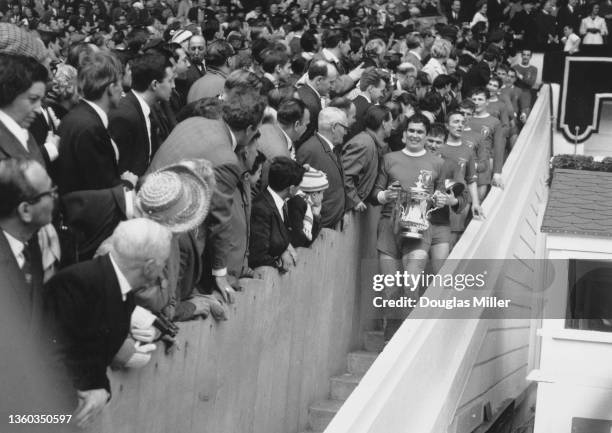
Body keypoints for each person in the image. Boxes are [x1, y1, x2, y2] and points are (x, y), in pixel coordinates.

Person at [44, 219, 172, 429]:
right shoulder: (76, 284)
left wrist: (101, 390)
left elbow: (94, 356)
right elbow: (47, 353)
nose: (164, 269)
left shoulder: (123, 294)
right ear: (149, 267)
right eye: (163, 263)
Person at [371, 113, 449, 339]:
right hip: (389, 225)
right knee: (391, 289)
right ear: (404, 134)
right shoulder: (389, 158)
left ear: (426, 137)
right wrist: (385, 195)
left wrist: (440, 198)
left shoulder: (437, 163)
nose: (415, 135)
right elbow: (375, 192)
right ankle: (389, 337)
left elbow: (441, 193)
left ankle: (406, 342)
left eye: (420, 132)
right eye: (411, 131)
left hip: (419, 227)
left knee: (410, 285)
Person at [56, 51, 137, 194]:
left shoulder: (79, 117)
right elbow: (101, 187)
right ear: (111, 89)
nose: (122, 91)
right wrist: (128, 183)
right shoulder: (90, 127)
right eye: (119, 84)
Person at [109, 52, 176, 177]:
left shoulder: (145, 108)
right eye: (170, 80)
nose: (173, 86)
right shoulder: (125, 116)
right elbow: (119, 170)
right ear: (155, 84)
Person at [249, 156, 305, 271]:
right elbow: (258, 256)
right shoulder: (261, 209)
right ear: (291, 189)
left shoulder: (282, 203)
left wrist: (285, 248)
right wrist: (279, 261)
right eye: (299, 185)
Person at [296, 107, 348, 229]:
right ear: (334, 127)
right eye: (344, 128)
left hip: (328, 225)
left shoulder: (330, 148)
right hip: (318, 227)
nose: (346, 132)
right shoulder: (310, 150)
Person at [0, 54, 49, 167]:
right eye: (33, 99)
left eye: (41, 100)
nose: (39, 110)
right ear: (9, 93)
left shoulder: (27, 135)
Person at [342, 106, 392, 212]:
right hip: (347, 210)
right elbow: (344, 174)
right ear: (383, 123)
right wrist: (354, 200)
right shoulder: (363, 144)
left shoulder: (371, 143)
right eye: (391, 122)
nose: (392, 126)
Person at [294, 60, 337, 146]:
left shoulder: (302, 90)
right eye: (331, 82)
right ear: (319, 80)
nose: (333, 87)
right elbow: (303, 141)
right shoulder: (312, 106)